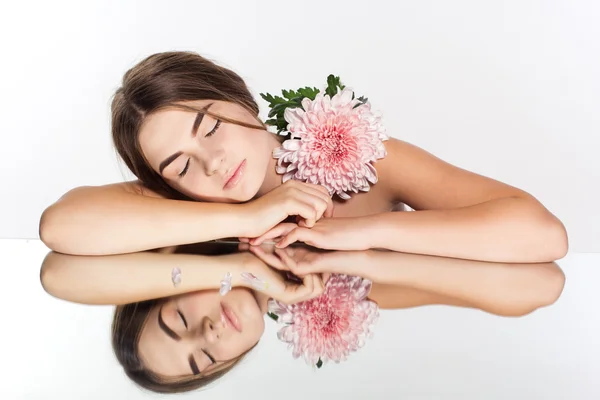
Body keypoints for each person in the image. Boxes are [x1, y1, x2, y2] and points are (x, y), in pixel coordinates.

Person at [38, 51, 568, 263]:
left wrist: (359, 233)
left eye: (210, 127)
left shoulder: (368, 161)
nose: (212, 165)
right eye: (179, 165)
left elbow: (542, 234)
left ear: (241, 98)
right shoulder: (183, 206)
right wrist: (246, 217)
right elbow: (63, 225)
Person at [40, 241, 565, 394]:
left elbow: (59, 267)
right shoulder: (337, 296)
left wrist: (243, 260)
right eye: (203, 359)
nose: (210, 333)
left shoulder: (246, 200)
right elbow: (543, 283)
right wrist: (355, 259)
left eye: (178, 319)